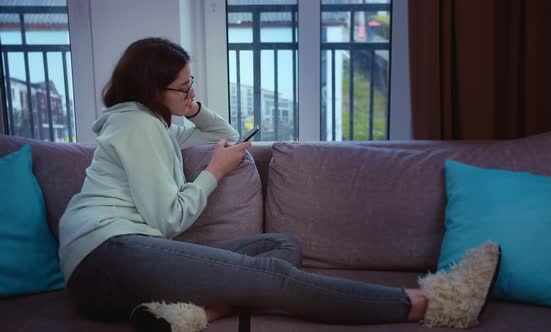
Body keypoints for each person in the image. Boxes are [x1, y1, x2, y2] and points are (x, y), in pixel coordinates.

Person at [59, 37, 501, 332]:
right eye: (183, 85)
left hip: (120, 259)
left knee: (281, 244)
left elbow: (223, 132)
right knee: (271, 275)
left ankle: (198, 315)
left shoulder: (154, 124)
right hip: (107, 258)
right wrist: (215, 171)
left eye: (192, 81)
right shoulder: (139, 127)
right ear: (152, 91)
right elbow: (169, 219)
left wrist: (193, 108)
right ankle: (430, 302)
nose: (191, 90)